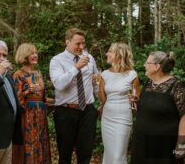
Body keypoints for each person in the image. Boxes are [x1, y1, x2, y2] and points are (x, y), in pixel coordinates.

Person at [49, 28, 98, 164]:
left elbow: (95, 83)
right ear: (67, 42)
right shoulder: (57, 60)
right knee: (65, 153)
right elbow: (59, 84)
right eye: (78, 44)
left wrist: (101, 99)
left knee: (86, 152)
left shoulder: (90, 59)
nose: (81, 47)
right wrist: (75, 67)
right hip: (66, 111)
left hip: (88, 110)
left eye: (83, 43)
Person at [131, 51, 185, 164]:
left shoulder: (176, 86)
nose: (144, 65)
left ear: (157, 66)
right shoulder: (148, 84)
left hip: (163, 144)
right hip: (141, 142)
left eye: (147, 62)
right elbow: (148, 111)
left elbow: (184, 116)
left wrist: (181, 144)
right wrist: (136, 102)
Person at [97, 42, 140, 164]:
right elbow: (103, 100)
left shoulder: (132, 74)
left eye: (110, 51)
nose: (107, 53)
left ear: (119, 54)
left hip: (123, 117)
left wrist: (134, 98)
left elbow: (137, 97)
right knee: (109, 153)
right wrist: (97, 86)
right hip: (107, 116)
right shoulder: (104, 74)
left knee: (118, 155)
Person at [12, 43, 51, 164]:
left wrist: (59, 101)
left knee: (41, 142)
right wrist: (27, 91)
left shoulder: (38, 73)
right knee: (29, 144)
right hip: (27, 115)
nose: (35, 55)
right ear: (24, 55)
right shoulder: (18, 74)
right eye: (32, 53)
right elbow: (15, 98)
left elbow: (42, 97)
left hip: (41, 114)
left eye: (36, 53)